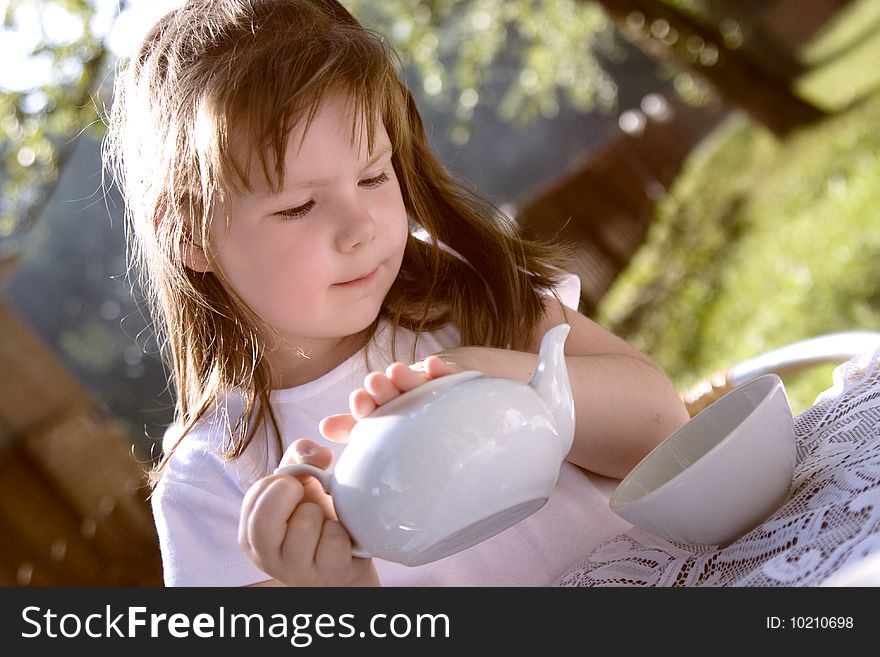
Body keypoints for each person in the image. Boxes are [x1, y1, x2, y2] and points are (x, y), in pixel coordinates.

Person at [105, 0, 690, 587]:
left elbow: (664, 428)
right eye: (298, 206)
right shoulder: (211, 482)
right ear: (188, 233)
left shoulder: (462, 295)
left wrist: (497, 373)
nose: (360, 228)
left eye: (373, 177)